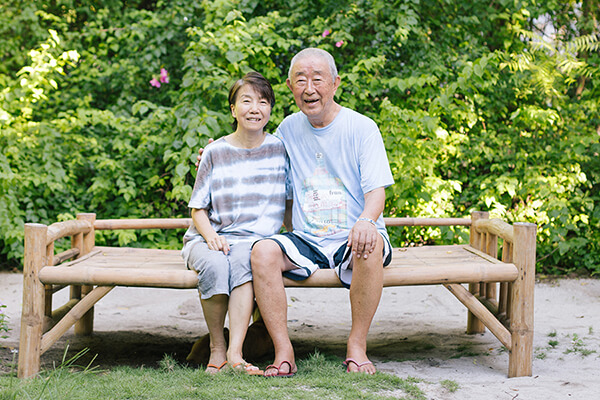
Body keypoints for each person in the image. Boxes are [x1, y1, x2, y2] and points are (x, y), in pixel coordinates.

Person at [197, 48, 394, 377]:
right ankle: (283, 350)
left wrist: (366, 221)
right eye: (300, 80)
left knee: (369, 243)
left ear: (335, 83)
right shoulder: (288, 129)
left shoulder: (362, 128)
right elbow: (253, 148)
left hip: (354, 232)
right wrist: (217, 150)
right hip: (307, 237)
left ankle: (357, 346)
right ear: (290, 86)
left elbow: (377, 191)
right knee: (262, 251)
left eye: (318, 79)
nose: (309, 88)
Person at [182, 71, 291, 375]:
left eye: (263, 101)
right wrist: (212, 237)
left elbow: (291, 203)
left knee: (245, 260)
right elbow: (198, 209)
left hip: (254, 243)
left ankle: (235, 353)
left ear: (270, 110)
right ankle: (217, 349)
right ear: (233, 109)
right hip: (208, 238)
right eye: (246, 101)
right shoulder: (215, 151)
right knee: (217, 265)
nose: (255, 108)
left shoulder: (280, 150)